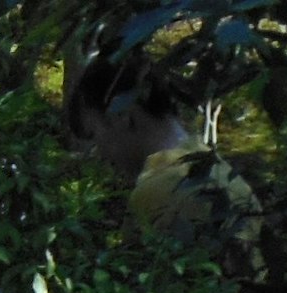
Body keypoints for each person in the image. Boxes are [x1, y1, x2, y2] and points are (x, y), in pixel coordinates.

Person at [61, 53, 262, 273]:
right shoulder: (221, 170)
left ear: (122, 115)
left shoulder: (157, 190)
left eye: (95, 134)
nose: (101, 153)